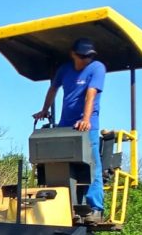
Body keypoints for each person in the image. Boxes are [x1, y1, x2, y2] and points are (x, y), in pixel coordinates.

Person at [32, 37, 108, 219]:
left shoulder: (97, 68)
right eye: (82, 56)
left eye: (88, 56)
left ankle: (95, 208)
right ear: (73, 54)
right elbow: (53, 89)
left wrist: (86, 119)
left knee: (92, 166)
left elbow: (91, 94)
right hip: (65, 126)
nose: (85, 59)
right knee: (60, 164)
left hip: (86, 126)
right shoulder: (65, 70)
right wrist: (44, 110)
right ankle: (63, 204)